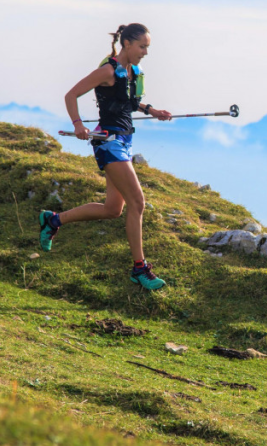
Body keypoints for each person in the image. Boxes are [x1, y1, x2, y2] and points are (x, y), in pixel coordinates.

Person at [38, 23, 172, 291]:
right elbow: (71, 94)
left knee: (113, 209)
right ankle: (140, 269)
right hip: (108, 142)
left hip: (125, 140)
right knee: (138, 203)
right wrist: (77, 124)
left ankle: (53, 220)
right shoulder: (108, 70)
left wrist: (151, 110)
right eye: (142, 46)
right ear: (127, 45)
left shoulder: (132, 72)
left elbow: (129, 103)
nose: (146, 52)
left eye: (148, 47)